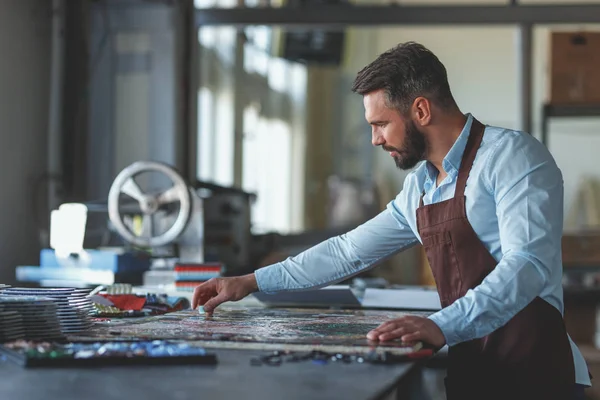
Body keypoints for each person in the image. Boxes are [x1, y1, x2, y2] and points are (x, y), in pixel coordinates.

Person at [192, 42, 590, 399]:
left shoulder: (511, 157)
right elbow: (346, 252)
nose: (374, 140)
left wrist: (441, 326)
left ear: (420, 109)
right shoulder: (420, 186)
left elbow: (528, 265)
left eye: (380, 124)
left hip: (537, 375)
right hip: (475, 372)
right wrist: (250, 281)